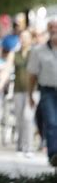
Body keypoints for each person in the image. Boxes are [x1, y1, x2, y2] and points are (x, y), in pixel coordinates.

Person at [27, 18, 57, 167]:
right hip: (47, 91)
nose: (54, 29)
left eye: (56, 27)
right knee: (51, 122)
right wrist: (29, 95)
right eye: (51, 27)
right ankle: (53, 154)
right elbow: (32, 74)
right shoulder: (38, 50)